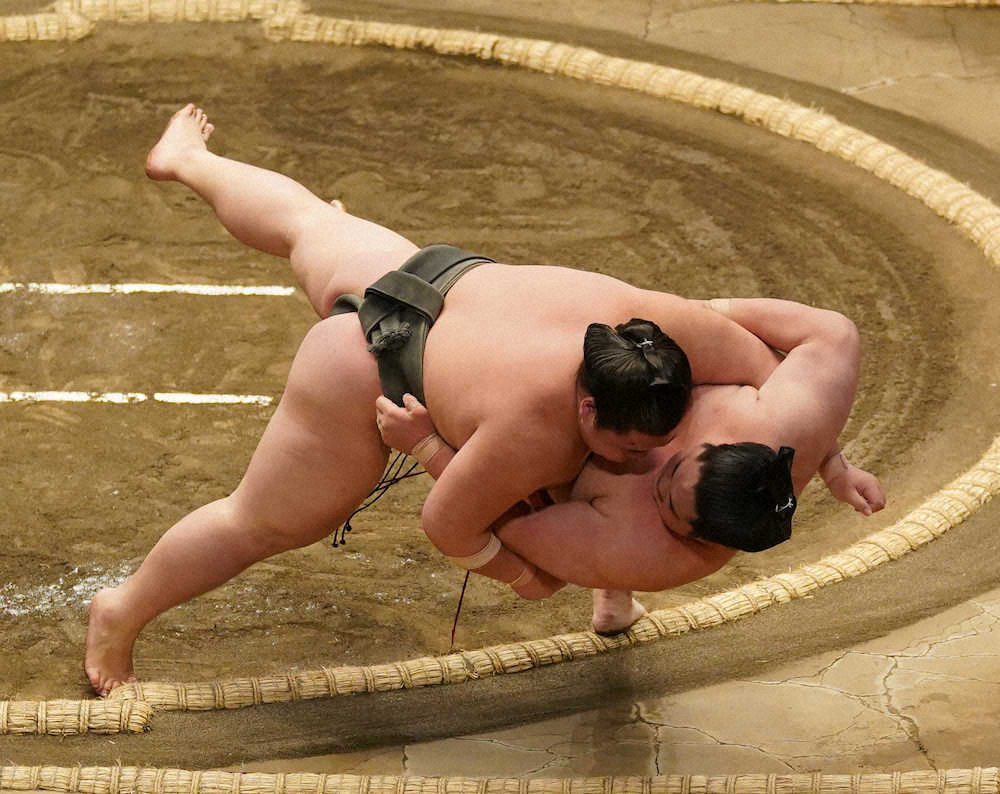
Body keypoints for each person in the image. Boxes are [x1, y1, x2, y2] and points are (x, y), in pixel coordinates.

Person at [83, 104, 784, 695]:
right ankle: (120, 612)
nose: (644, 459)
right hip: (362, 368)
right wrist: (521, 575)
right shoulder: (532, 435)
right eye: (632, 446)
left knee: (306, 222)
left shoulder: (650, 332)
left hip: (422, 277)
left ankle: (189, 161)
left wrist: (821, 457)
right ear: (587, 408)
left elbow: (770, 366)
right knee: (259, 523)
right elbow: (450, 524)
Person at [375, 297, 886, 633]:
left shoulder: (642, 551)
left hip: (568, 501)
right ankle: (616, 605)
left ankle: (612, 595)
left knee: (538, 574)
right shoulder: (784, 422)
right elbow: (833, 332)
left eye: (666, 503)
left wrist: (427, 445)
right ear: (726, 447)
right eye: (676, 467)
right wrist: (699, 316)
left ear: (695, 539)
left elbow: (494, 516)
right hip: (640, 403)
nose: (655, 475)